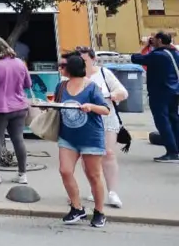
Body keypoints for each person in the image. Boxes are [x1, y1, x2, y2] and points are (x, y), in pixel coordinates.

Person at [55, 54, 111, 227]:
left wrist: (91, 107)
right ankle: (77, 207)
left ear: (71, 68)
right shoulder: (61, 86)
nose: (60, 68)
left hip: (90, 137)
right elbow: (57, 105)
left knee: (93, 175)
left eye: (63, 65)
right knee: (65, 170)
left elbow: (105, 109)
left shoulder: (91, 87)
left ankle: (100, 211)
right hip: (68, 136)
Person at [79, 47, 128, 207]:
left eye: (84, 60)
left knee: (108, 153)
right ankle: (95, 186)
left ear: (93, 59)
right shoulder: (74, 75)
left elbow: (122, 91)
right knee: (88, 156)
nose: (81, 64)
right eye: (79, 60)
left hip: (106, 118)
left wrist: (114, 95)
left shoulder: (103, 73)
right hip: (84, 120)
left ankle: (112, 192)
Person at [0, 36, 32, 184]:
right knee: (18, 139)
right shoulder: (19, 63)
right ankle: (22, 174)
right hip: (19, 106)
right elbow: (27, 83)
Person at [130, 32, 179, 163]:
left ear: (160, 40)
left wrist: (145, 45)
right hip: (174, 91)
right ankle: (176, 149)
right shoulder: (174, 53)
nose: (153, 41)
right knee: (174, 119)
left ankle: (172, 152)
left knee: (162, 121)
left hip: (160, 92)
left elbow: (135, 58)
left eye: (155, 39)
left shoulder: (158, 55)